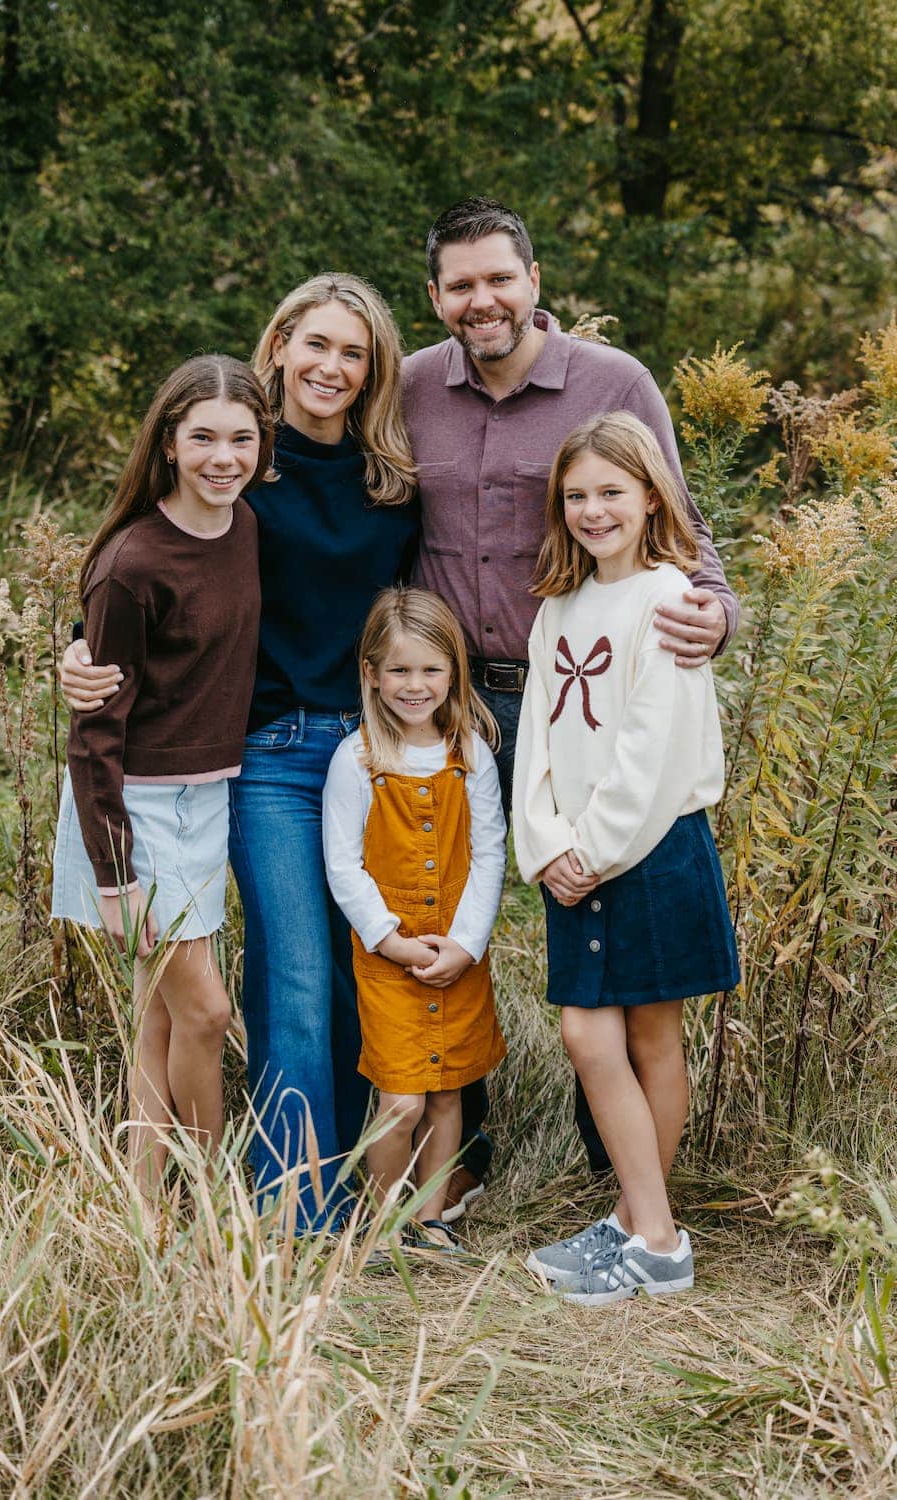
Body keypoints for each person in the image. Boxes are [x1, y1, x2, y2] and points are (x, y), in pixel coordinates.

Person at [60, 275, 418, 1230]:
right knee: (290, 977)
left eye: (354, 351)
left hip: (368, 752)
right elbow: (144, 568)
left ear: (375, 366)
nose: (332, 367)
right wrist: (79, 656)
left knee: (357, 974)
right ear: (280, 347)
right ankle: (290, 1211)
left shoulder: (392, 480)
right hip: (261, 754)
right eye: (316, 345)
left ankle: (358, 1185)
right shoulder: (243, 461)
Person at [402, 197, 741, 1205]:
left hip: (583, 713)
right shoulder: (411, 386)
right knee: (437, 930)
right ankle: (457, 1168)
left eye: (498, 278)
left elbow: (679, 530)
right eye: (459, 285)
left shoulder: (613, 383)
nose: (481, 300)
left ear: (534, 279)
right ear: (435, 298)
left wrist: (715, 614)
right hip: (455, 710)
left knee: (613, 955)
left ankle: (624, 1196)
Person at [513, 412, 740, 1304]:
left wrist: (595, 850)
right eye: (576, 496)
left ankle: (649, 1237)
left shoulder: (671, 600)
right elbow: (534, 734)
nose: (593, 510)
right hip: (577, 854)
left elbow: (655, 749)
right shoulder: (559, 609)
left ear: (652, 497)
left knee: (646, 1036)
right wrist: (547, 846)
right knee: (589, 1032)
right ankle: (645, 1228)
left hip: (649, 849)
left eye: (611, 492)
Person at [51, 355, 274, 1198]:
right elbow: (93, 733)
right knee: (209, 1013)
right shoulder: (133, 562)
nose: (225, 457)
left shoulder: (247, 525)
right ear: (170, 445)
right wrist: (115, 877)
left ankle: (145, 1208)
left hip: (207, 796)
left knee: (161, 1019)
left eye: (242, 438)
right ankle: (218, 1204)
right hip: (133, 811)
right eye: (204, 438)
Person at [322, 588, 506, 1249]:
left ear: (453, 672)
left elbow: (490, 856)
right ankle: (384, 1222)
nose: (415, 685)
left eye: (430, 669)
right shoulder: (359, 759)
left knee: (449, 1093)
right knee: (400, 1099)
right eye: (398, 670)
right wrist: (392, 943)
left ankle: (431, 1222)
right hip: (390, 962)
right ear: (371, 673)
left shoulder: (471, 756)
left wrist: (464, 944)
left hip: (456, 957)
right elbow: (344, 866)